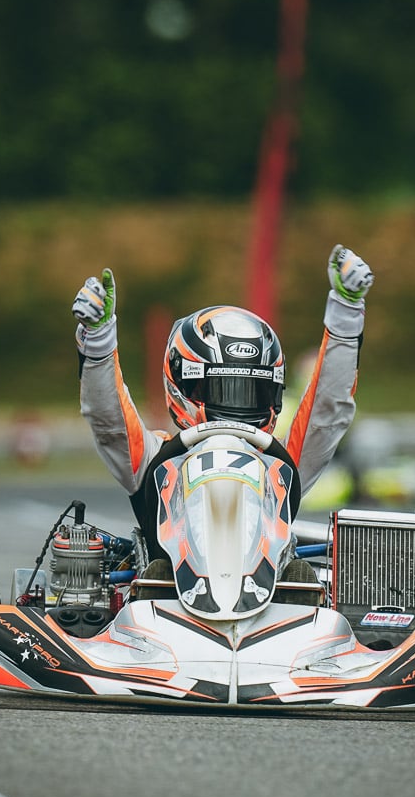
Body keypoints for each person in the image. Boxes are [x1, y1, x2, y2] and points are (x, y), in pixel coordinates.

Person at [72, 244, 373, 570]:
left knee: (305, 577)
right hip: (162, 604)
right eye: (222, 388)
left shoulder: (282, 467)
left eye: (252, 391)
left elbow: (326, 414)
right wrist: (98, 341)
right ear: (182, 383)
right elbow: (109, 422)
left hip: (270, 611)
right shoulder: (153, 460)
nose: (237, 404)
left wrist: (346, 313)